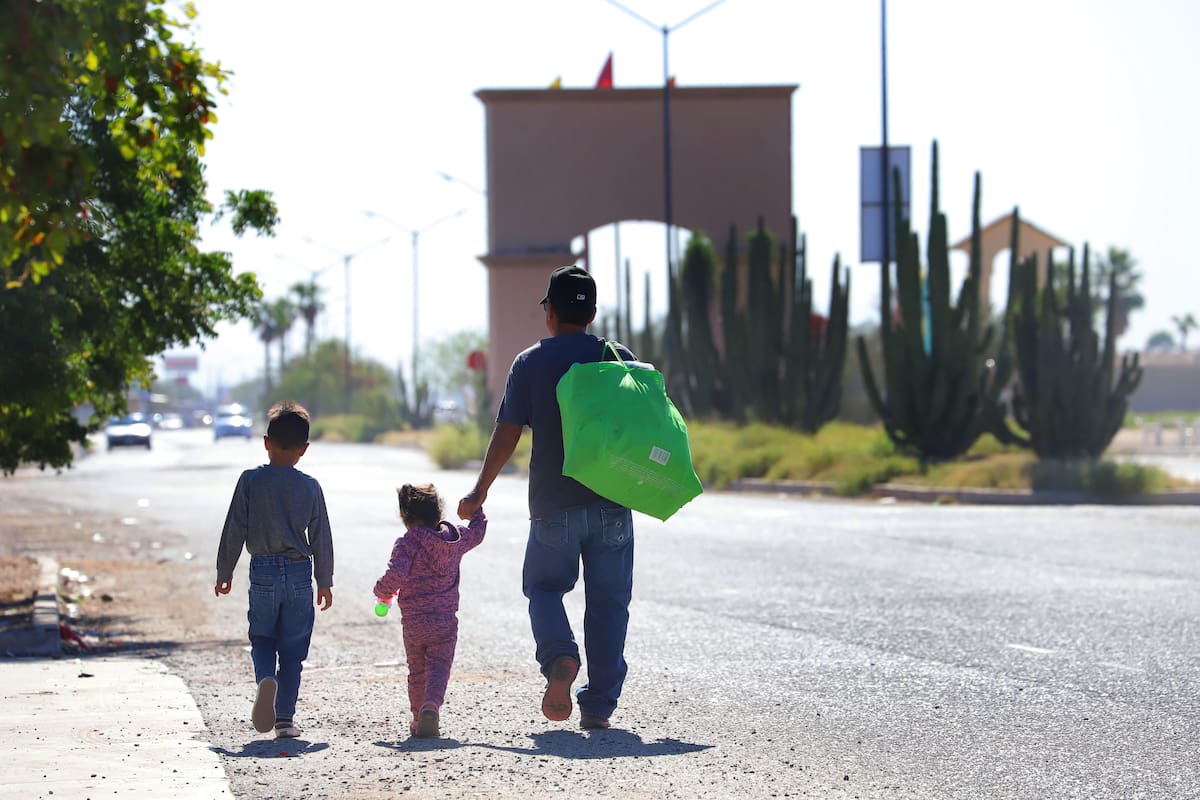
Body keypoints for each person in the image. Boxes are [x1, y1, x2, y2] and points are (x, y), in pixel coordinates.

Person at [457, 264, 636, 731]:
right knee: (609, 603)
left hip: (553, 505)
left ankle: (560, 655)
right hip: (612, 503)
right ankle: (598, 706)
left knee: (543, 588)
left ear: (550, 311)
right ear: (592, 314)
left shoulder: (530, 363)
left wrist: (479, 490)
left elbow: (508, 432)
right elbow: (643, 424)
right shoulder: (618, 357)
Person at [215, 400, 334, 739]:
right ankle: (284, 720)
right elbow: (321, 536)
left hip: (263, 570)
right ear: (303, 449)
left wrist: (225, 571)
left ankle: (266, 677)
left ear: (266, 442)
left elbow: (234, 528)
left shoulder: (250, 481)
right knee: (293, 651)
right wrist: (324, 580)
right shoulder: (310, 486)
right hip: (298, 571)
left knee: (263, 637)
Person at [373, 483, 487, 738]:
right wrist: (476, 508)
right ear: (438, 512)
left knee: (417, 671)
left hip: (414, 622)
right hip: (445, 621)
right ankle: (431, 706)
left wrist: (381, 591)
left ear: (406, 516)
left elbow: (395, 575)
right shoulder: (455, 538)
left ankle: (417, 719)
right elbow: (477, 533)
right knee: (439, 667)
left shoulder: (407, 543)